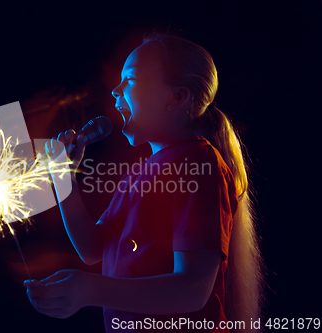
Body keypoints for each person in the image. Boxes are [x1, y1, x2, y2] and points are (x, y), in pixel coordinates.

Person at [24, 33, 263, 332]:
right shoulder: (136, 175)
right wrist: (62, 177)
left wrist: (90, 290)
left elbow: (192, 289)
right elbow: (92, 247)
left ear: (177, 97)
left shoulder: (199, 163)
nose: (115, 91)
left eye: (131, 79)